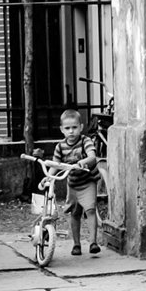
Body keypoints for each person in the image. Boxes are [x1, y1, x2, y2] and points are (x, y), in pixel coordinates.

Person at [54, 108, 101, 256]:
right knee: (74, 213)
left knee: (91, 210)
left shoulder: (85, 141)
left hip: (88, 182)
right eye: (67, 128)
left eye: (74, 127)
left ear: (81, 127)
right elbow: (55, 165)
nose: (71, 131)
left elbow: (93, 157)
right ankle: (76, 244)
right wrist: (48, 177)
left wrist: (84, 161)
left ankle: (93, 242)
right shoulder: (60, 147)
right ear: (62, 129)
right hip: (73, 185)